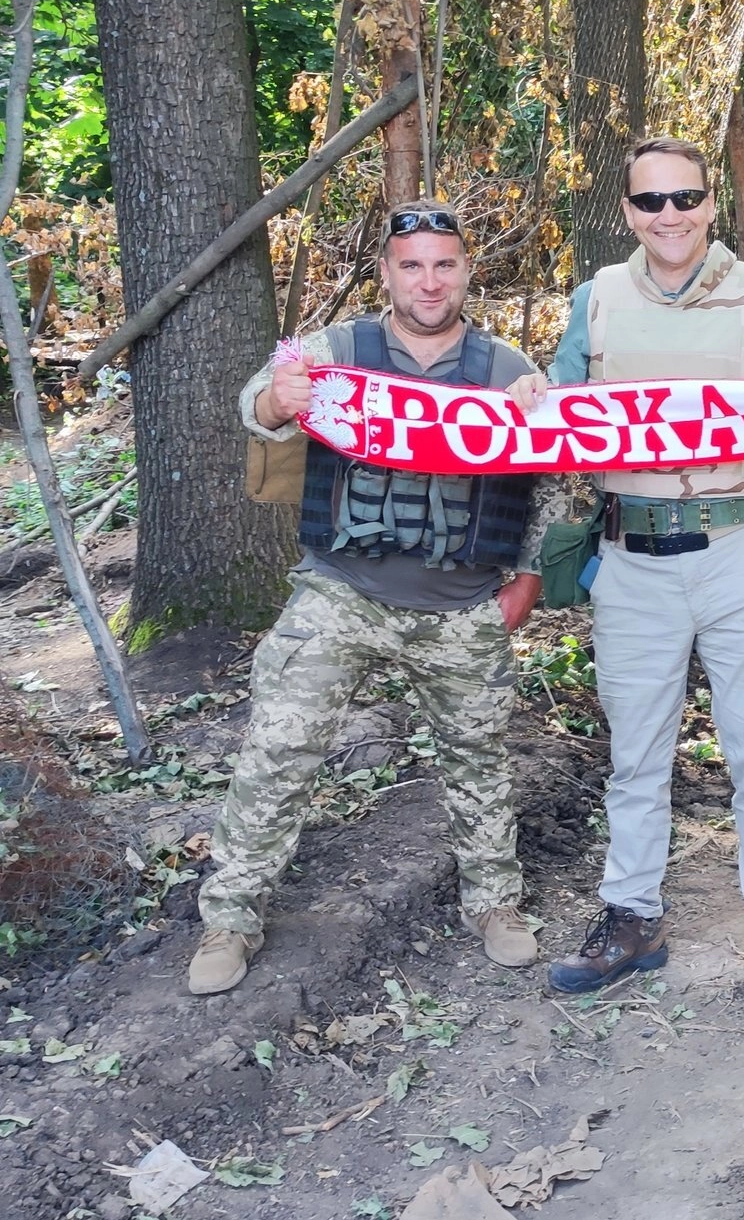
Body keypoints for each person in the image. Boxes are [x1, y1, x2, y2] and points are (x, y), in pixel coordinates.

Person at [510, 138, 744, 997]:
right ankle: (633, 919)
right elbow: (557, 407)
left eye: (686, 198)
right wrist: (530, 396)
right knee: (636, 755)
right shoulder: (595, 302)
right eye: (651, 201)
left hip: (740, 545)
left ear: (710, 206)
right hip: (631, 556)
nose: (670, 215)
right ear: (628, 211)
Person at [189, 204, 561, 996]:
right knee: (279, 750)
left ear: (466, 271)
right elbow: (254, 406)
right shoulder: (338, 349)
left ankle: (494, 906)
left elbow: (553, 483)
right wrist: (277, 400)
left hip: (460, 603)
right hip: (342, 592)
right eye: (412, 265)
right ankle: (230, 917)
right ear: (387, 273)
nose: (430, 281)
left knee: (480, 762)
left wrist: (527, 581)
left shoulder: (506, 368)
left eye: (445, 264)